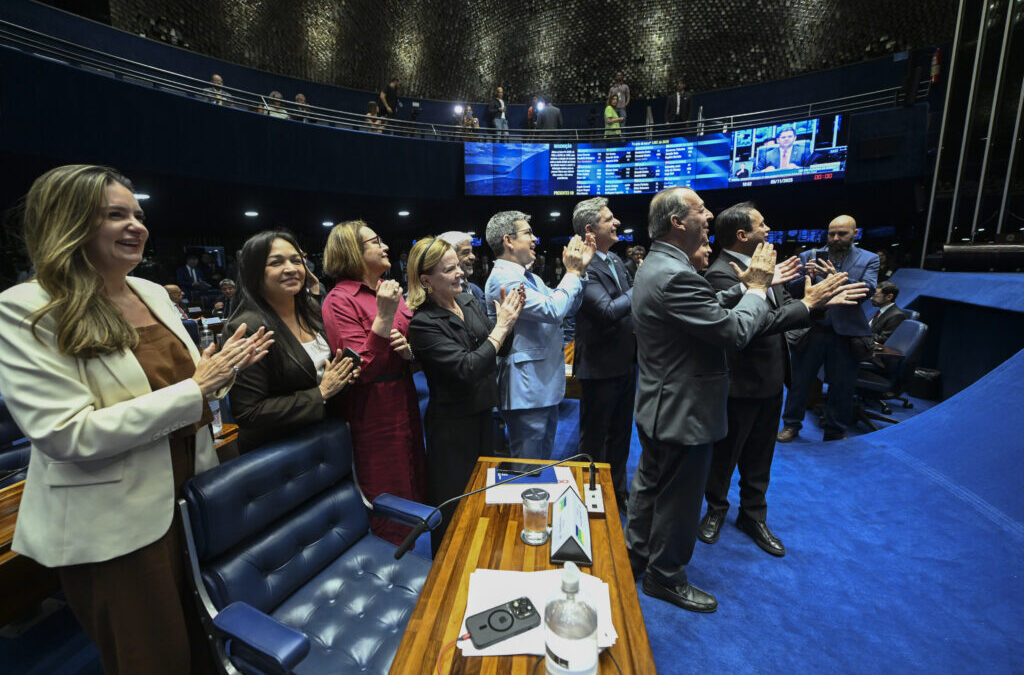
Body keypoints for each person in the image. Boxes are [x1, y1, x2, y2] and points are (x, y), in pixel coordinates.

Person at [0, 164, 273, 674]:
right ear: (68, 222)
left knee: (207, 641)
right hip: (114, 526)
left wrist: (224, 373)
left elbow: (192, 384)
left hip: (191, 496)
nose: (137, 226)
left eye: (139, 214)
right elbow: (66, 434)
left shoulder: (148, 292)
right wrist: (199, 385)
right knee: (154, 658)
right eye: (115, 215)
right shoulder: (27, 308)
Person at [627, 187, 788, 614]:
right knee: (680, 501)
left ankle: (636, 555)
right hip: (685, 410)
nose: (709, 214)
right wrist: (755, 288)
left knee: (650, 486)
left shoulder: (657, 265)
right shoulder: (676, 273)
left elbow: (704, 308)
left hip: (661, 403)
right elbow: (733, 333)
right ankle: (665, 577)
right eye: (701, 209)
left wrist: (739, 291)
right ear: (678, 222)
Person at [699, 203, 866, 557]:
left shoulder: (763, 268)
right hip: (739, 383)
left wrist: (814, 301)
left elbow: (777, 310)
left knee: (761, 455)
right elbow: (754, 326)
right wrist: (809, 304)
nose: (768, 229)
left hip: (772, 380)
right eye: (762, 225)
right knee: (726, 456)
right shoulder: (722, 274)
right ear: (743, 235)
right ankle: (715, 509)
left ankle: (752, 516)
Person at [406, 237, 525, 552]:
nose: (460, 272)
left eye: (458, 265)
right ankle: (445, 578)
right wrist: (500, 330)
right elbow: (468, 367)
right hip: (452, 428)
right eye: (449, 269)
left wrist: (508, 325)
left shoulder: (469, 300)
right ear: (426, 281)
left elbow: (498, 350)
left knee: (483, 498)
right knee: (453, 509)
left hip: (485, 414)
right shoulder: (422, 325)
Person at [321, 221, 426, 544]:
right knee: (387, 489)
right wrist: (382, 318)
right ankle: (392, 571)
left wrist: (411, 353)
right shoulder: (340, 300)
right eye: (375, 241)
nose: (385, 248)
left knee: (414, 481)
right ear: (353, 251)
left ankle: (418, 561)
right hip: (372, 408)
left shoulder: (387, 288)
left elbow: (412, 342)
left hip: (404, 396)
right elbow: (359, 369)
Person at [227, 231, 360, 454]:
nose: (291, 268)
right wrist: (322, 393)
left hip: (325, 438)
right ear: (255, 271)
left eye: (296, 260)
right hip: (280, 454)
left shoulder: (310, 309)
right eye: (276, 262)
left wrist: (341, 377)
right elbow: (249, 412)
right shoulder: (247, 328)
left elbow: (315, 375)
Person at [484, 211, 595, 459]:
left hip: (542, 385)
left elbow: (567, 307)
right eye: (528, 233)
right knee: (528, 468)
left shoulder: (529, 276)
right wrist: (572, 273)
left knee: (541, 465)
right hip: (526, 389)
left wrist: (581, 273)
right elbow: (553, 309)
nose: (535, 238)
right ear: (508, 241)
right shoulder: (504, 278)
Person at [778, 215, 879, 442]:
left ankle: (835, 430)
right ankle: (791, 425)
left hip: (846, 332)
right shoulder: (808, 256)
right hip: (811, 328)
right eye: (831, 233)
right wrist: (808, 276)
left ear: (855, 233)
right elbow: (792, 290)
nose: (835, 238)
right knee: (799, 382)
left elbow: (868, 290)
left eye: (841, 233)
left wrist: (836, 278)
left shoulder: (870, 259)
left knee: (842, 385)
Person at [571, 198, 635, 510]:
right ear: (590, 230)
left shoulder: (616, 261)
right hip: (599, 367)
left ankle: (618, 491)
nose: (617, 223)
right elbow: (607, 312)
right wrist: (642, 285)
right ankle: (589, 495)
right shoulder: (584, 268)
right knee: (594, 439)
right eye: (609, 219)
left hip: (626, 363)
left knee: (622, 435)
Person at [438, 230, 487, 313]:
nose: (473, 257)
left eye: (472, 252)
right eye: (465, 252)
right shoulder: (443, 296)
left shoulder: (476, 290)